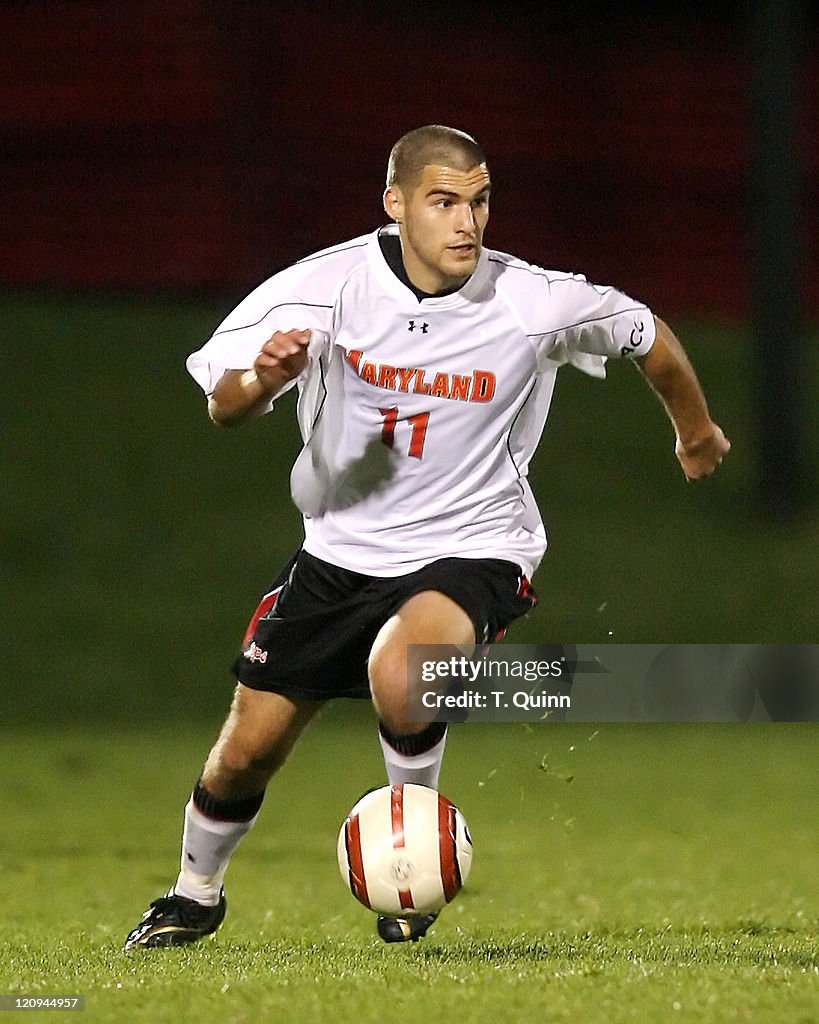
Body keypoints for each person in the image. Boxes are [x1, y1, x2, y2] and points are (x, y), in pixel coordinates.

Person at [123, 124, 730, 950]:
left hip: (476, 547)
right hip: (338, 558)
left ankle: (408, 876)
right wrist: (262, 377)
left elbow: (644, 335)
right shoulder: (322, 289)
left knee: (404, 669)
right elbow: (222, 407)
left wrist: (692, 431)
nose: (467, 222)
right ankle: (193, 895)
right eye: (444, 200)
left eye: (479, 201)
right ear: (396, 203)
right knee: (243, 755)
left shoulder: (532, 300)